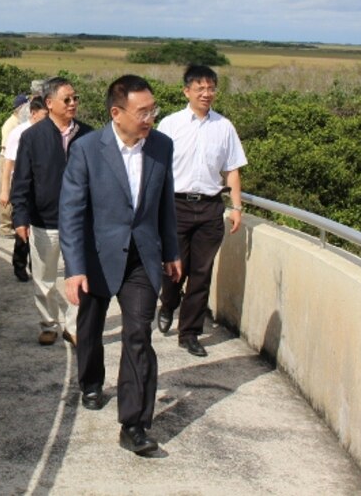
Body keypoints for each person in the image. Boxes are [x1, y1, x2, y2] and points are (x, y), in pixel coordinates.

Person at [59, 75, 182, 456]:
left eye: (153, 110)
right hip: (96, 255)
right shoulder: (87, 149)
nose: (150, 118)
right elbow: (72, 211)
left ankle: (134, 425)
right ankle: (91, 382)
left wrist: (172, 251)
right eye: (142, 112)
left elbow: (165, 204)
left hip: (141, 259)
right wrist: (75, 267)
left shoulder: (161, 145)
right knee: (91, 325)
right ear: (117, 112)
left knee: (138, 336)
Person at [156, 64, 247, 357]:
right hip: (175, 205)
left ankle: (190, 333)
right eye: (200, 88)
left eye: (211, 88)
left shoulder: (224, 127)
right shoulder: (170, 125)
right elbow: (156, 167)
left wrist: (236, 206)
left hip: (209, 207)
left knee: (201, 273)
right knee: (173, 267)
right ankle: (169, 302)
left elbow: (231, 170)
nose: (206, 94)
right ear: (187, 91)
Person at [10, 77, 93, 346]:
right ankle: (48, 323)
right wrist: (20, 217)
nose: (72, 104)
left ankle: (73, 326)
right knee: (44, 279)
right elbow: (21, 180)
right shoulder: (32, 137)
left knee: (79, 277)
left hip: (81, 222)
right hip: (44, 221)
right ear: (49, 103)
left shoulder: (89, 135)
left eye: (75, 98)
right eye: (66, 99)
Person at [0, 96, 47, 281]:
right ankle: (19, 264)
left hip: (41, 188)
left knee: (40, 230)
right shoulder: (19, 133)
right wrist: (5, 191)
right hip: (22, 188)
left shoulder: (48, 132)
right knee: (22, 228)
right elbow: (8, 164)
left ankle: (36, 266)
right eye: (44, 115)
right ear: (34, 113)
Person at [0, 93, 29, 237]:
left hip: (12, 159)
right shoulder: (11, 124)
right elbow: (7, 148)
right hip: (7, 159)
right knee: (7, 193)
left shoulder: (18, 123)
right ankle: (5, 227)